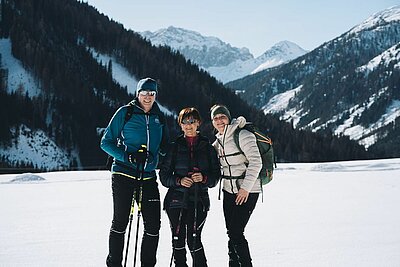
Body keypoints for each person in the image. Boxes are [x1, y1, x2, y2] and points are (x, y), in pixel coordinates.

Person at [100, 77, 169, 267]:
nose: (148, 97)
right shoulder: (125, 113)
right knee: (120, 222)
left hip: (148, 177)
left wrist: (156, 158)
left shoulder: (159, 117)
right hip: (123, 174)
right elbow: (106, 143)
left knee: (153, 226)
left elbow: (165, 146)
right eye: (144, 93)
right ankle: (114, 263)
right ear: (137, 94)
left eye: (152, 93)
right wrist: (127, 157)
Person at [159, 107, 220, 267]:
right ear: (180, 124)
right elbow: (164, 177)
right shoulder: (175, 146)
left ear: (198, 123)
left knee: (193, 239)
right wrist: (179, 181)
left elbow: (215, 178)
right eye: (184, 122)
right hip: (175, 200)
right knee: (178, 239)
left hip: (199, 199)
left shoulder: (208, 148)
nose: (188, 125)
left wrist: (204, 178)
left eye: (192, 121)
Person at [210, 104, 262, 267]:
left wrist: (245, 188)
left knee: (235, 232)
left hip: (248, 190)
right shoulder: (219, 140)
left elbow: (256, 162)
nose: (219, 121)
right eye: (216, 118)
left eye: (222, 117)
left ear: (228, 117)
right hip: (228, 190)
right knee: (231, 233)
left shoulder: (243, 135)